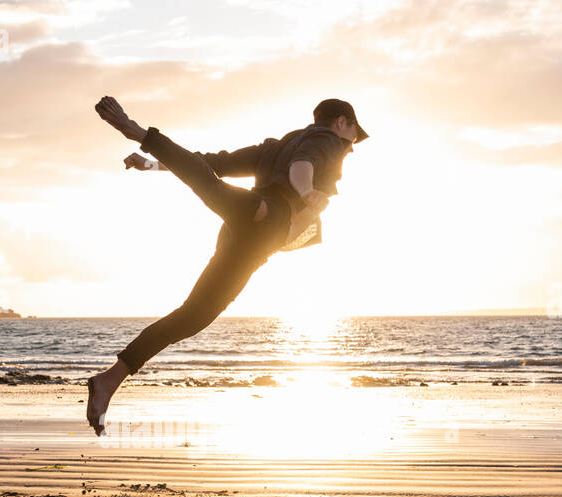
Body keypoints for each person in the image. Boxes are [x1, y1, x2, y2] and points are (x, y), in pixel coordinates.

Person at [86, 95, 367, 435]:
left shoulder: (276, 146)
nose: (352, 146)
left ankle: (109, 380)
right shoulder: (329, 141)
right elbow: (302, 168)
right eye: (353, 135)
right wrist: (307, 193)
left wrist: (151, 165)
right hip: (266, 219)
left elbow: (211, 162)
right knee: (211, 192)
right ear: (342, 122)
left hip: (243, 236)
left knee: (193, 315)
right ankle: (137, 131)